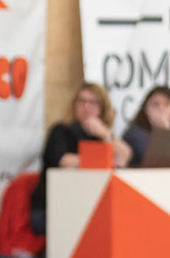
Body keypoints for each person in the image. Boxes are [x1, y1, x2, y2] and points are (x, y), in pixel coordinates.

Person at [31, 82, 130, 228]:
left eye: (93, 102)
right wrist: (101, 160)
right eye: (82, 101)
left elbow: (125, 156)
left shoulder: (102, 135)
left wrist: (107, 135)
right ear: (74, 105)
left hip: (91, 205)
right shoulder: (61, 131)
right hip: (53, 207)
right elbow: (63, 160)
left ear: (102, 108)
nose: (86, 107)